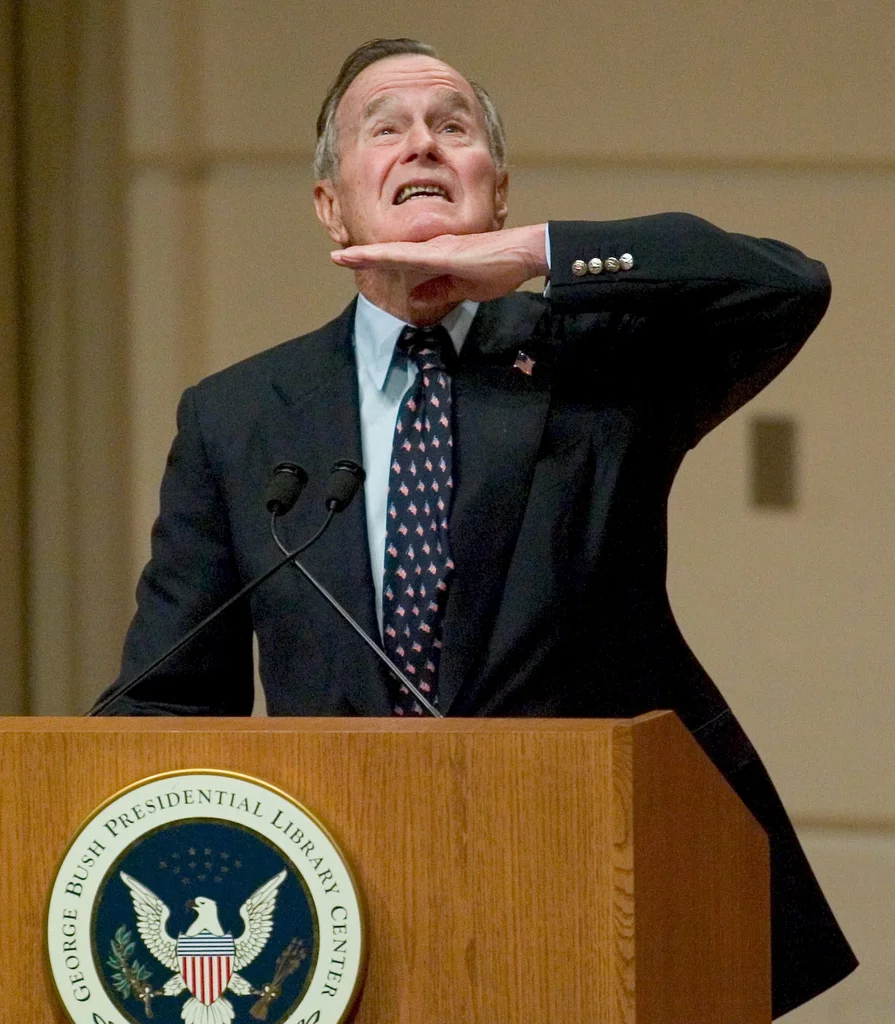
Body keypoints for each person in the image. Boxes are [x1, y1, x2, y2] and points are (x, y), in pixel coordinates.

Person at [96, 38, 857, 1015]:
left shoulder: (594, 359)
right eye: (385, 129)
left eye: (452, 127)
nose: (421, 142)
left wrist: (539, 255)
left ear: (496, 191)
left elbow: (786, 286)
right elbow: (164, 700)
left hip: (599, 869)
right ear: (331, 204)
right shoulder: (238, 418)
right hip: (341, 902)